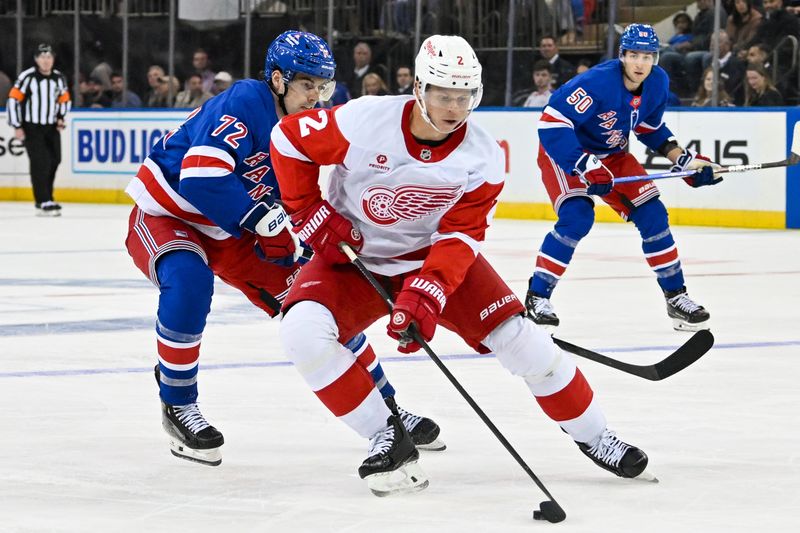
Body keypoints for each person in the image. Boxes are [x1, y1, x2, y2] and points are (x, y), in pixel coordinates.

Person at [270, 34, 652, 497]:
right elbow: (287, 140)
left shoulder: (483, 156)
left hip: (434, 260)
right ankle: (384, 436)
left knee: (524, 343)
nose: (454, 107)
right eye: (443, 94)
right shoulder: (364, 119)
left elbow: (459, 236)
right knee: (301, 332)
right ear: (420, 89)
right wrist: (307, 210)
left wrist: (426, 292)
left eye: (464, 96)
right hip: (352, 258)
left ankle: (596, 436)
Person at [124, 30, 443, 468]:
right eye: (307, 84)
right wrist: (259, 219)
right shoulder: (245, 102)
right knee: (189, 282)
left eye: (323, 86)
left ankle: (386, 406)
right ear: (277, 80)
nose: (316, 96)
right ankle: (178, 402)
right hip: (171, 213)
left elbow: (302, 196)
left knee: (319, 305)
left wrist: (313, 236)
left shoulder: (308, 126)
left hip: (238, 229)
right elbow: (200, 177)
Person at [526, 24, 722, 332]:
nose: (641, 63)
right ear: (622, 56)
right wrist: (584, 164)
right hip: (565, 153)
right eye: (634, 55)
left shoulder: (657, 82)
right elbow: (551, 125)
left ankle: (676, 298)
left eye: (648, 56)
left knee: (654, 215)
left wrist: (685, 161)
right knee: (577, 218)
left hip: (613, 155)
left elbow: (649, 128)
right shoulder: (596, 82)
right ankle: (537, 296)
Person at [6, 43, 71, 216]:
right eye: (42, 57)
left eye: (49, 57)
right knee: (40, 162)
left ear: (53, 59)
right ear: (36, 59)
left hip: (51, 126)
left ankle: (47, 197)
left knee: (55, 160)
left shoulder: (59, 78)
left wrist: (61, 117)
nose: (46, 60)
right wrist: (17, 125)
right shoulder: (27, 77)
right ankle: (43, 201)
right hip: (31, 126)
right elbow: (13, 100)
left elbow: (64, 99)